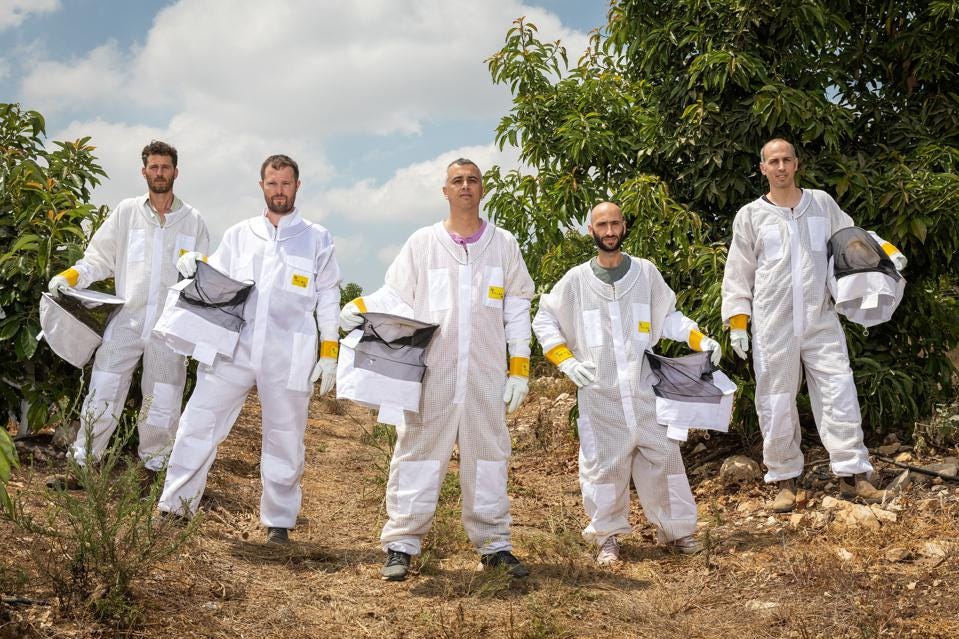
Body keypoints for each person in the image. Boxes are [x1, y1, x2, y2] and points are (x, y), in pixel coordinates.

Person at [340, 158, 534, 581]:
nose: (465, 186)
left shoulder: (504, 245)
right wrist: (358, 307)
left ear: (483, 190)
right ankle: (402, 545)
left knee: (488, 457)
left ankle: (494, 545)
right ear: (445, 191)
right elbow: (396, 294)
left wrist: (519, 369)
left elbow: (518, 308)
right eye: (457, 180)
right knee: (417, 455)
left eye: (472, 180)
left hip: (485, 375)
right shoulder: (424, 243)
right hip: (434, 373)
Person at [158, 154, 340, 545]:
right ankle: (174, 507)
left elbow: (328, 297)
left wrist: (330, 351)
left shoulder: (316, 238)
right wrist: (197, 265)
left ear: (297, 186)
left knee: (285, 434)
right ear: (262, 186)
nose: (279, 191)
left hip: (290, 352)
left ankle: (279, 521)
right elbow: (218, 279)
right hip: (234, 346)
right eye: (272, 184)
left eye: (286, 184)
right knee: (199, 421)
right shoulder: (241, 234)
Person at [721, 138, 906, 513]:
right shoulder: (751, 215)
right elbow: (738, 272)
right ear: (763, 169)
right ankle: (784, 480)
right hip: (774, 325)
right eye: (773, 161)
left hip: (820, 318)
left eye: (787, 159)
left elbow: (853, 238)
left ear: (796, 163)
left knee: (839, 391)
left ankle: (854, 475)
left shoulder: (821, 203)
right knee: (775, 401)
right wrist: (739, 322)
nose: (781, 167)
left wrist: (887, 254)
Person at [532, 202, 720, 565]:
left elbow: (669, 318)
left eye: (614, 222)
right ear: (591, 230)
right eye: (601, 224)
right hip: (600, 397)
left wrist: (699, 339)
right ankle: (606, 537)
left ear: (624, 225)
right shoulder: (575, 281)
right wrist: (565, 361)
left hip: (645, 391)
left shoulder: (645, 274)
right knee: (604, 467)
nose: (609, 230)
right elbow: (545, 320)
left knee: (665, 460)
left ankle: (678, 532)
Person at [47, 141, 209, 480]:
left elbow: (203, 277)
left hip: (168, 327)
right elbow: (98, 259)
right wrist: (69, 276)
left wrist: (199, 268)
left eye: (165, 167)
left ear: (176, 172)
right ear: (144, 171)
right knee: (103, 389)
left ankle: (155, 468)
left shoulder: (192, 222)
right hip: (127, 320)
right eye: (154, 167)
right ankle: (82, 465)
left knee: (161, 400)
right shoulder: (127, 212)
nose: (160, 173)